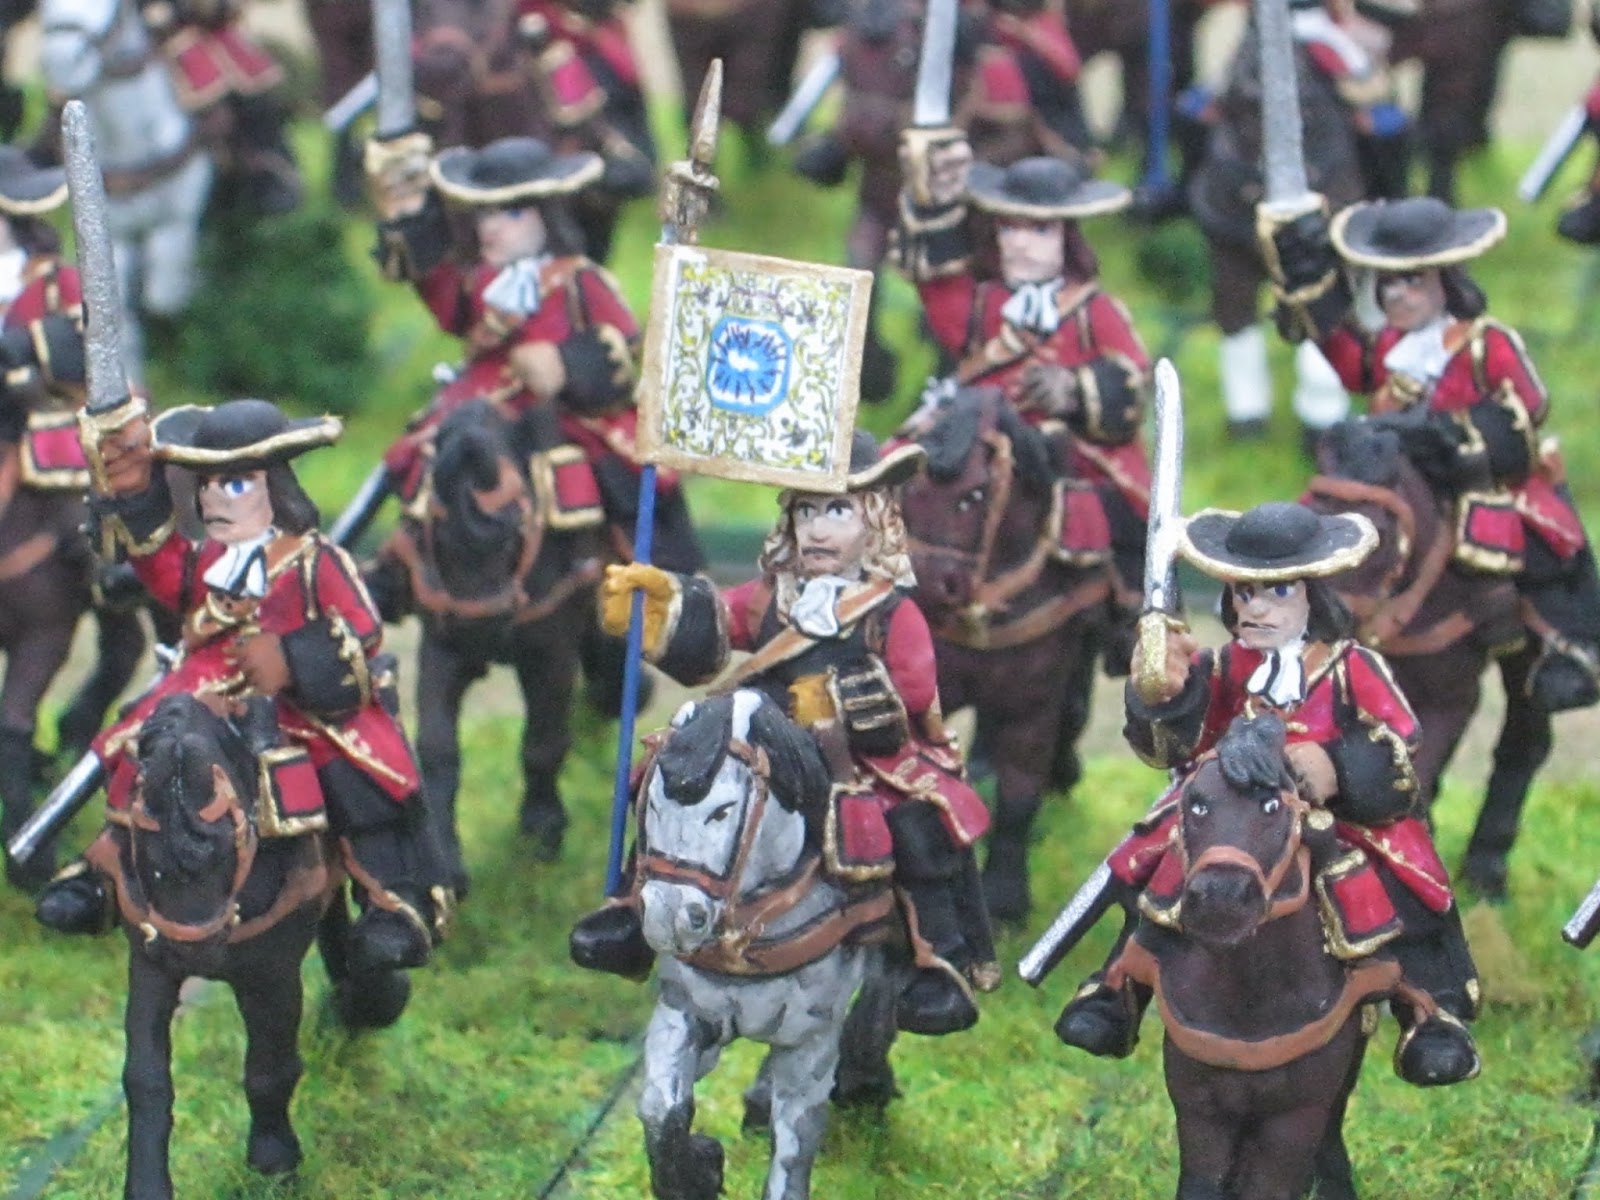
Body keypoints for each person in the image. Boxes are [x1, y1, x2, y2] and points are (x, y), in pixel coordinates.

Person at [571, 432, 998, 1036]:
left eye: (837, 511)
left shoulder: (890, 611)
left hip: (859, 749)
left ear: (875, 519)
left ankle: (938, 960)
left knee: (918, 823)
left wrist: (837, 704)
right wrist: (661, 611)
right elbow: (718, 623)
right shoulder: (775, 595)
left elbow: (914, 692)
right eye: (806, 512)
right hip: (763, 729)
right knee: (668, 774)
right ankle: (631, 908)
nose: (818, 530)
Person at [1055, 500, 1481, 1088]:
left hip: (1333, 812)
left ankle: (1430, 1011)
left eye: (1277, 593)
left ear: (1313, 596)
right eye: (1245, 593)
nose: (1255, 608)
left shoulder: (1351, 667)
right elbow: (1173, 749)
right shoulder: (1224, 665)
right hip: (1231, 811)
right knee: (1154, 859)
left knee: (1403, 879)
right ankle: (1117, 990)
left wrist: (1335, 766)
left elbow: (1400, 741)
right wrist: (1164, 697)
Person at [36, 399, 448, 974]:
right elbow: (164, 571)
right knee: (140, 745)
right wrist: (135, 492)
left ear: (274, 487)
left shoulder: (315, 561)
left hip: (301, 701)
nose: (214, 500)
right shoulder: (208, 559)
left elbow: (361, 628)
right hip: (205, 682)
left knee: (355, 774)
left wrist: (291, 657)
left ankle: (392, 900)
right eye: (206, 486)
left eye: (233, 485)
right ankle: (106, 871)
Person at [1266, 193, 1600, 711]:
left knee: (1537, 544)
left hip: (1478, 474)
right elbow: (1351, 362)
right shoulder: (1390, 345)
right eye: (1388, 283)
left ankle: (1565, 648)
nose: (1397, 295)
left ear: (1445, 280)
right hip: (1399, 473)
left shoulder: (1486, 343)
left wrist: (1447, 431)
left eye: (1412, 281)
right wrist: (1311, 286)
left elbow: (1529, 405)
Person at [892, 133, 1150, 612]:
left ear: (1067, 237)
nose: (1021, 244)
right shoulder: (983, 303)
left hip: (1065, 450)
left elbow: (1131, 380)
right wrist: (934, 202)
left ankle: (1134, 611)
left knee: (1116, 519)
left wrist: (1075, 389)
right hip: (980, 435)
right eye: (1009, 229)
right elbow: (939, 288)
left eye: (1040, 231)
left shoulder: (1095, 310)